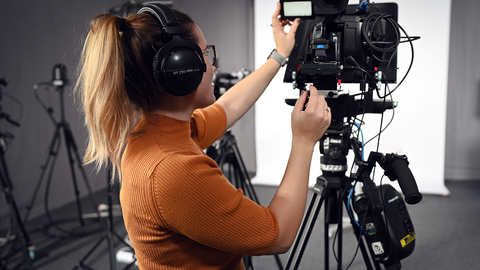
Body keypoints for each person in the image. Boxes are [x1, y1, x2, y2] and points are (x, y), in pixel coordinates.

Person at [75, 2, 331, 269]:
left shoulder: (158, 134)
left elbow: (228, 107)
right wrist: (304, 142)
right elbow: (277, 236)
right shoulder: (173, 170)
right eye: (205, 54)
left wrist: (279, 55)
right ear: (180, 67)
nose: (213, 66)